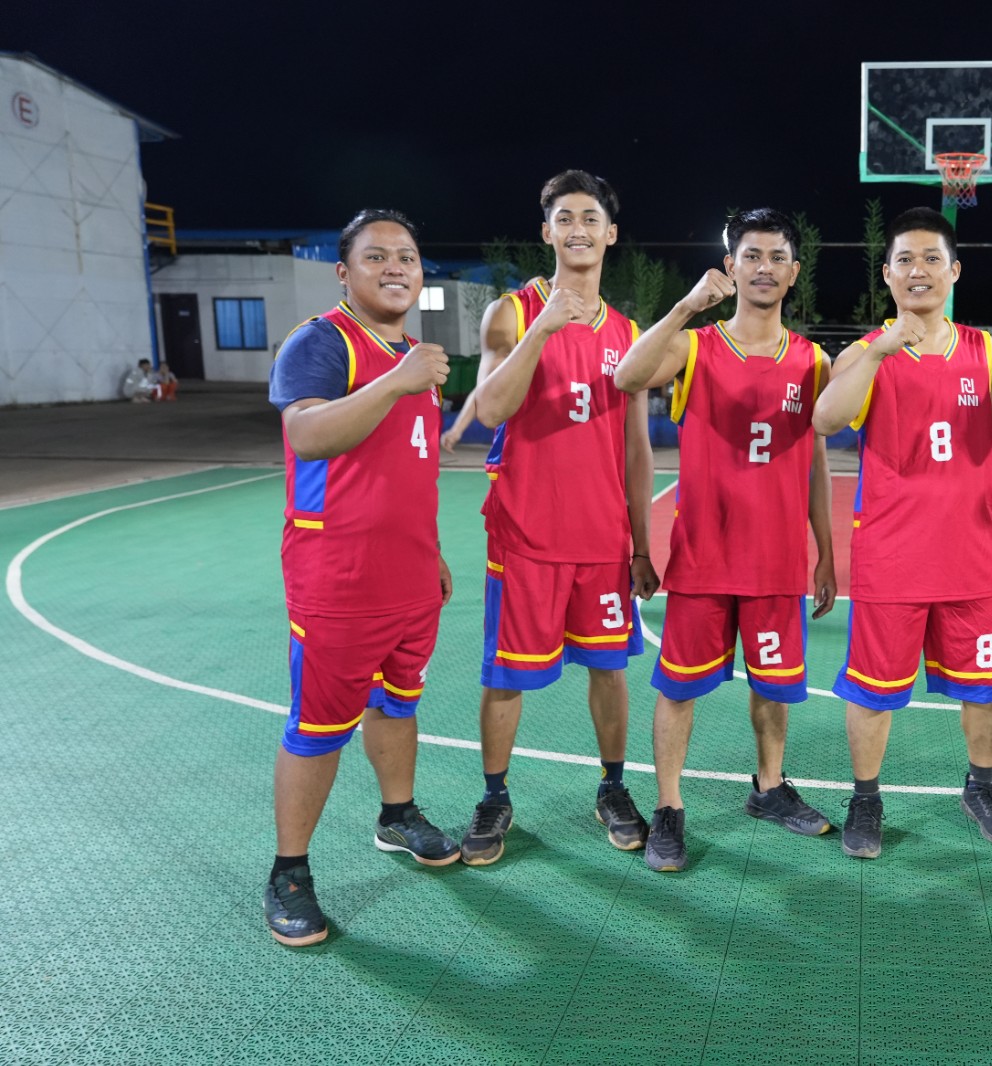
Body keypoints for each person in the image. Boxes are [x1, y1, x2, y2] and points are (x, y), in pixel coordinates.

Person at [613, 208, 838, 872]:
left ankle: (769, 788)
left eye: (777, 258)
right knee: (679, 690)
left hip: (777, 563)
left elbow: (817, 465)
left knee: (774, 687)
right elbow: (627, 376)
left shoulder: (813, 361)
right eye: (751, 256)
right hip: (705, 560)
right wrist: (686, 305)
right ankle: (669, 806)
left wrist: (826, 550)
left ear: (794, 273)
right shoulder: (696, 347)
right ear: (730, 266)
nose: (764, 268)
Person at [262, 209, 460, 947]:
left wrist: (431, 552)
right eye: (376, 257)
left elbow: (410, 472)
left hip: (409, 577)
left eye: (407, 256)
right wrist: (397, 381)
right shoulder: (321, 342)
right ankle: (288, 871)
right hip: (338, 580)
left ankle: (396, 815)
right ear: (344, 273)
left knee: (399, 702)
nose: (395, 267)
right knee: (318, 728)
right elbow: (307, 434)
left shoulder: (415, 357)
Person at [813, 206, 992, 860]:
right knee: (873, 691)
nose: (919, 270)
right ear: (887, 274)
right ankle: (866, 798)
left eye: (932, 258)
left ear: (954, 271)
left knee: (986, 686)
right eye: (905, 259)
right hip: (892, 558)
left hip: (971, 553)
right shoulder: (865, 353)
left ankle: (981, 788)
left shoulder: (982, 350)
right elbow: (825, 419)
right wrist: (881, 349)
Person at [460, 171, 659, 865]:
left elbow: (637, 448)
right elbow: (490, 408)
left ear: (610, 233)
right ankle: (494, 796)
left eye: (590, 218)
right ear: (546, 232)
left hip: (602, 537)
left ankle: (613, 787)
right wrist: (542, 329)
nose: (578, 228)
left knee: (610, 669)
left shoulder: (629, 334)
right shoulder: (511, 315)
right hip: (526, 534)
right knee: (506, 675)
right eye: (565, 218)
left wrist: (641, 543)